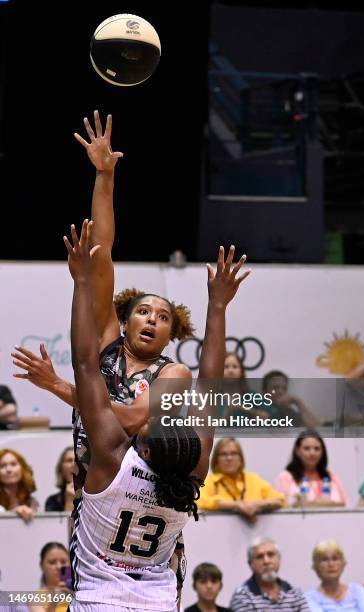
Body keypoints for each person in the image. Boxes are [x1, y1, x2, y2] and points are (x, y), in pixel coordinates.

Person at [11, 111, 195, 594]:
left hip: (148, 505)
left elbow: (131, 421)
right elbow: (101, 251)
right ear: (125, 317)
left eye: (163, 316)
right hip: (93, 497)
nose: (152, 318)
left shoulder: (172, 372)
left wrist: (61, 388)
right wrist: (105, 175)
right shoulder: (108, 347)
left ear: (172, 332)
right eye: (144, 311)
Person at [64, 220, 249, 610]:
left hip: (99, 597)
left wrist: (80, 284)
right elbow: (211, 389)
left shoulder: (112, 459)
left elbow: (83, 365)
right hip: (157, 597)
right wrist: (218, 305)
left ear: (143, 449)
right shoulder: (190, 483)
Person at [197, 438, 284, 523]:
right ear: (216, 460)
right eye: (223, 454)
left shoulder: (253, 479)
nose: (229, 458)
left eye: (233, 453)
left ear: (240, 458)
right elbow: (200, 501)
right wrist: (237, 505)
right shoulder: (209, 481)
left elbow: (280, 500)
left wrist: (256, 505)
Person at [230, 537, 310, 611]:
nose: (266, 561)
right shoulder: (242, 596)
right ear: (251, 564)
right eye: (260, 557)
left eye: (271, 555)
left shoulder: (294, 592)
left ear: (279, 559)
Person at [276, 430, 348, 507]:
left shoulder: (331, 477)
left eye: (317, 449)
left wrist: (311, 504)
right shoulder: (286, 477)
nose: (312, 453)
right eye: (307, 448)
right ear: (297, 451)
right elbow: (283, 506)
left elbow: (343, 504)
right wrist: (323, 504)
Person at [305, 540, 364, 612]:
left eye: (335, 559)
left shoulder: (358, 591)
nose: (331, 564)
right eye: (324, 560)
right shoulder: (310, 598)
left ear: (343, 564)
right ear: (315, 566)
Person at [29, 542, 72, 612]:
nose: (59, 566)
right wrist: (53, 602)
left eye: (63, 562)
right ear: (42, 565)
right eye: (52, 562)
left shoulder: (79, 592)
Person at [0, 449, 38, 522]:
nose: (8, 470)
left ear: (23, 469)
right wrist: (13, 515)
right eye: (2, 466)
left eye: (13, 464)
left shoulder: (33, 502)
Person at [45, 447, 75, 513]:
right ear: (61, 469)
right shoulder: (52, 501)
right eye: (69, 460)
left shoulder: (93, 498)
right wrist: (69, 501)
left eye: (78, 460)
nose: (74, 464)